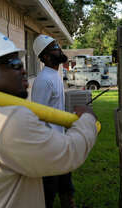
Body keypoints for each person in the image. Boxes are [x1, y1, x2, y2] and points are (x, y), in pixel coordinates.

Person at [0, 29, 98, 208]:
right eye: (14, 64)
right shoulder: (8, 119)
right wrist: (87, 120)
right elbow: (68, 153)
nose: (24, 70)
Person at [31, 35, 75, 208]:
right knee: (47, 195)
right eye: (54, 47)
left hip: (61, 142)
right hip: (49, 147)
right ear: (46, 56)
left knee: (67, 189)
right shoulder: (43, 80)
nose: (59, 48)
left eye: (57, 45)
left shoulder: (56, 74)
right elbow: (38, 116)